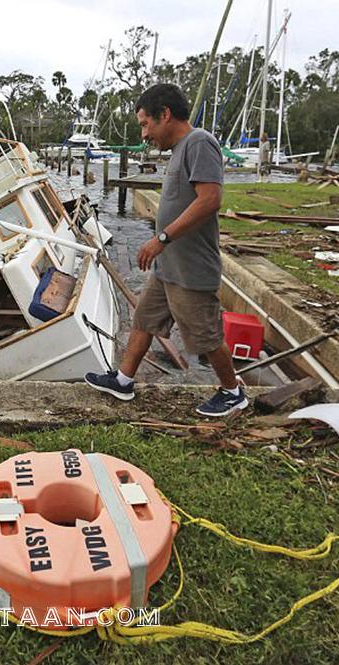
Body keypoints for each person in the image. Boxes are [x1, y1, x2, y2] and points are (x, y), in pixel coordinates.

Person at [84, 83, 248, 417]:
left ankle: (233, 392)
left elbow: (210, 199)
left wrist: (161, 239)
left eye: (146, 124)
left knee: (204, 334)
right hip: (168, 265)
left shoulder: (199, 142)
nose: (144, 133)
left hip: (189, 266)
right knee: (144, 318)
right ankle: (124, 380)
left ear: (166, 114)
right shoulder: (180, 150)